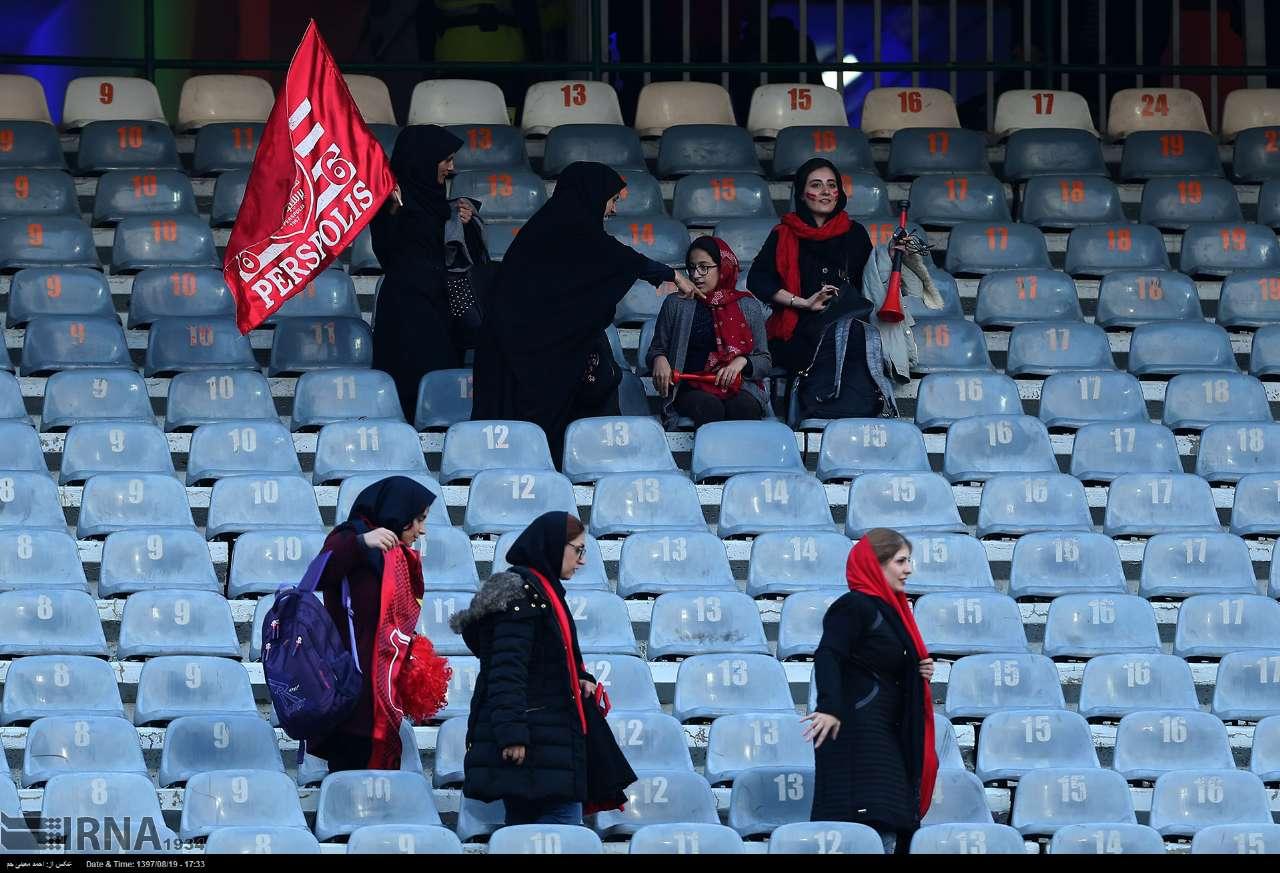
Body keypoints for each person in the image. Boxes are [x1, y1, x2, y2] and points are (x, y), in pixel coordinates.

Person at [472, 161, 700, 466]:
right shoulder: (570, 230)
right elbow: (617, 259)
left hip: (538, 351)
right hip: (522, 354)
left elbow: (613, 259)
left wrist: (666, 275)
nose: (613, 210)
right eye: (613, 200)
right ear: (591, 195)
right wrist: (670, 275)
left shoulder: (557, 227)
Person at [451, 511, 636, 825]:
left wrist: (578, 677)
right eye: (577, 550)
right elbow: (505, 671)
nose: (581, 561)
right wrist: (511, 735)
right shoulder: (523, 595)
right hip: (537, 746)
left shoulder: (541, 591)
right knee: (561, 834)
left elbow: (543, 659)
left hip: (548, 745)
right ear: (553, 546)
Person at [801, 528, 939, 855]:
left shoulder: (892, 611)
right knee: (874, 827)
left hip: (885, 736)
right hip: (860, 738)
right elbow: (829, 654)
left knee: (890, 826)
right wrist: (830, 707)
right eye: (901, 561)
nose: (909, 569)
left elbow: (878, 665)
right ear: (876, 566)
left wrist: (916, 669)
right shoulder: (854, 606)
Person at [746, 158, 899, 420]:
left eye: (831, 185)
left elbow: (870, 282)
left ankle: (849, 407)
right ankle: (821, 407)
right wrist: (803, 303)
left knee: (851, 338)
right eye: (816, 185)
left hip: (845, 326)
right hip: (796, 330)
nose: (826, 191)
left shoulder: (854, 233)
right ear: (803, 195)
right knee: (823, 342)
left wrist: (890, 256)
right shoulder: (783, 233)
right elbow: (758, 280)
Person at [308, 476, 440, 772]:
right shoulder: (351, 535)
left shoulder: (398, 556)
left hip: (383, 698)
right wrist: (360, 543)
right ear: (399, 511)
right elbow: (316, 576)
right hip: (351, 700)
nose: (422, 529)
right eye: (418, 519)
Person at [371, 124, 476, 421]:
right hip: (407, 309)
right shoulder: (391, 198)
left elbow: (455, 255)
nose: (451, 168)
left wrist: (462, 224)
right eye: (446, 160)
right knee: (409, 381)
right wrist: (392, 212)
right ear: (423, 159)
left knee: (441, 384)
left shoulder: (441, 202)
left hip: (441, 306)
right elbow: (388, 253)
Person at [647, 236, 772, 428]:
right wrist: (659, 358)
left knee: (744, 407)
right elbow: (656, 349)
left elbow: (764, 360)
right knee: (709, 407)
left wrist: (742, 361)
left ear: (723, 266)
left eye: (704, 267)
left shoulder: (747, 305)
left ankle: (742, 459)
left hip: (739, 386)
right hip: (690, 386)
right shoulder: (676, 304)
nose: (696, 275)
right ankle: (711, 459)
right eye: (692, 267)